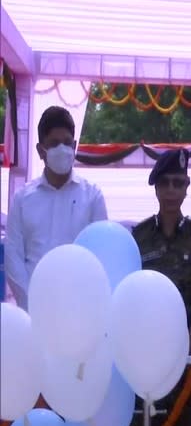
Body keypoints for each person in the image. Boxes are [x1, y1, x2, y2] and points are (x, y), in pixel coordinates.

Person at [129, 148, 191, 426]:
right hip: (145, 366)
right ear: (156, 188)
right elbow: (128, 301)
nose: (171, 191)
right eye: (165, 183)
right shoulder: (139, 237)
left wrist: (183, 349)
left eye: (178, 183)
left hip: (186, 366)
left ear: (187, 187)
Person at [5, 106, 107, 310]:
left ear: (75, 146)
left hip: (81, 311)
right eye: (54, 143)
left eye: (67, 143)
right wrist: (30, 304)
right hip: (33, 310)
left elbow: (102, 255)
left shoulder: (93, 196)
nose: (62, 149)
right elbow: (13, 257)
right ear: (40, 150)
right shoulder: (22, 199)